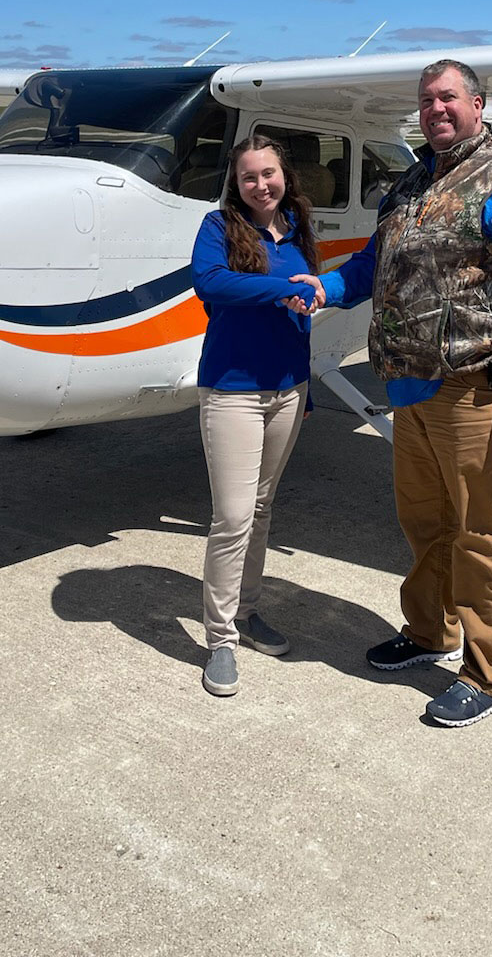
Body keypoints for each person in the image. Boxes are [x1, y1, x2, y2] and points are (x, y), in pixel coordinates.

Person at [289, 59, 492, 729]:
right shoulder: (414, 180)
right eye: (425, 101)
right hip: (410, 383)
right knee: (424, 521)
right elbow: (376, 262)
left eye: (448, 97)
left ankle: (490, 674)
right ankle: (429, 632)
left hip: (476, 386)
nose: (435, 109)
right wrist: (329, 287)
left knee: (480, 530)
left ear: (477, 103)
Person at [189, 135, 319, 698]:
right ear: (235, 183)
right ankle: (220, 639)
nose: (261, 185)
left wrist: (305, 389)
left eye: (269, 173)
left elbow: (303, 312)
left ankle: (246, 611)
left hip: (288, 389)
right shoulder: (219, 228)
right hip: (233, 391)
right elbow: (210, 282)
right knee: (233, 516)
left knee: (262, 510)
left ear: (284, 175)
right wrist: (278, 289)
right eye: (249, 176)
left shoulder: (298, 227)